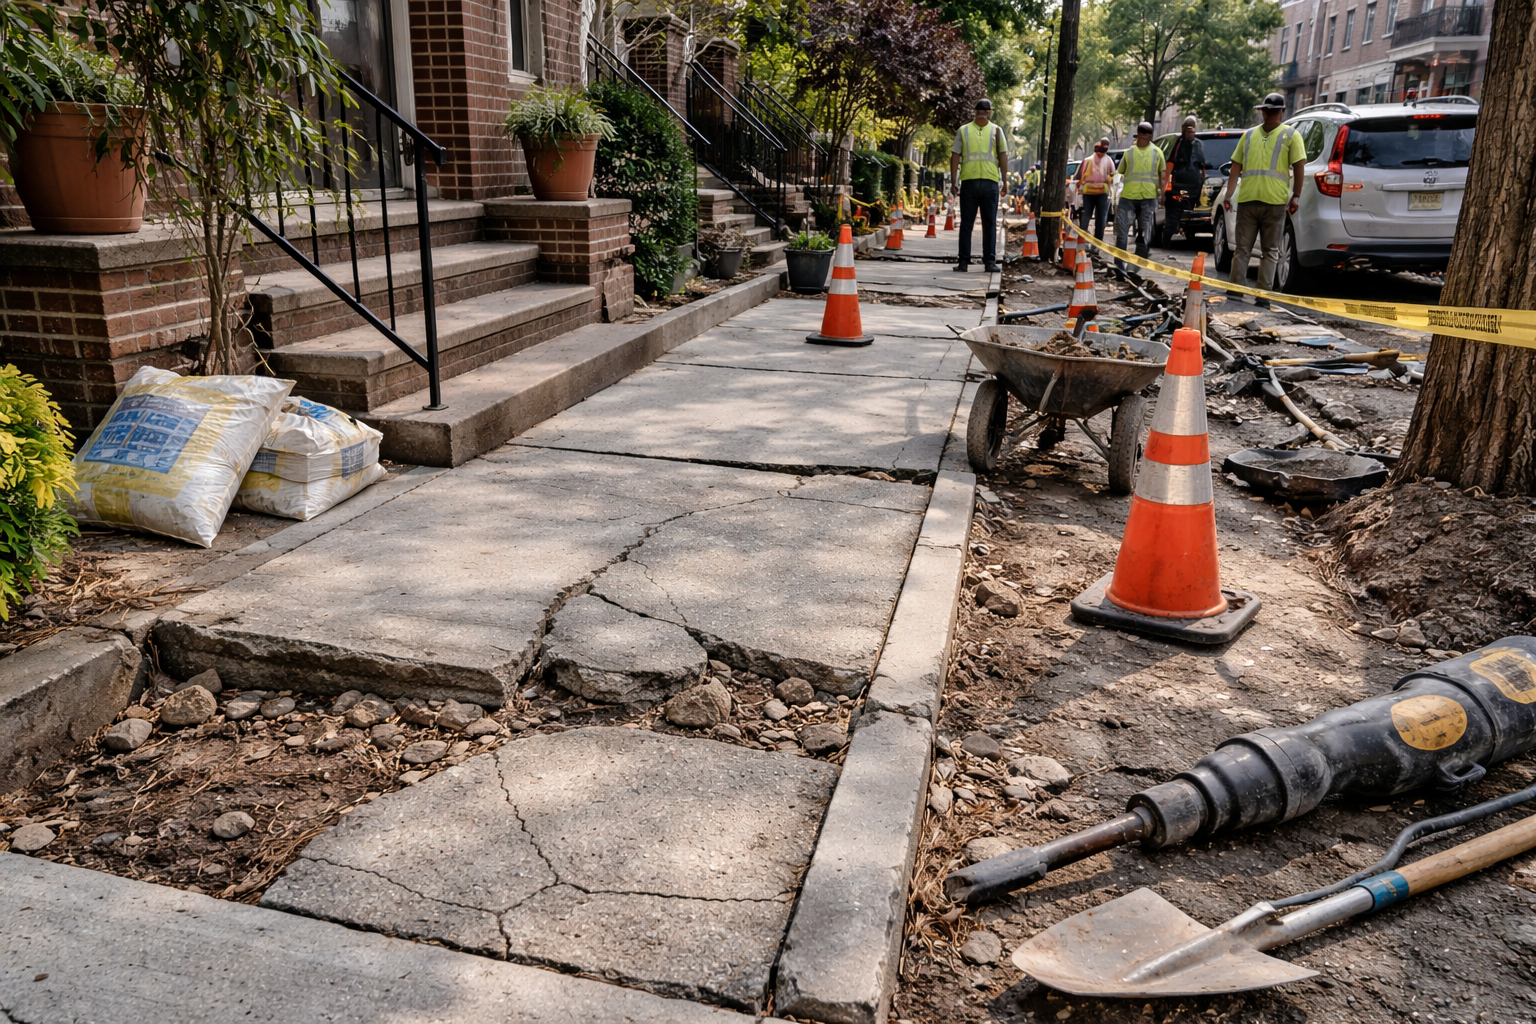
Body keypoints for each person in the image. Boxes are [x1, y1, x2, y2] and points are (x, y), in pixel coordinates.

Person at [1220, 92, 1307, 307]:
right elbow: (1299, 167)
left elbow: (1235, 170)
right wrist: (1296, 196)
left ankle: (1235, 293)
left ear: (1264, 112)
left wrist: (1229, 196)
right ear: (1282, 111)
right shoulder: (1292, 135)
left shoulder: (1248, 135)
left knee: (1242, 249)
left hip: (1249, 200)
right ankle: (1263, 297)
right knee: (1270, 251)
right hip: (1275, 203)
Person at [949, 98, 1008, 273]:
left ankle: (963, 263)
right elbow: (1003, 156)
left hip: (969, 182)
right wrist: (1005, 180)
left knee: (967, 223)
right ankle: (989, 262)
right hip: (990, 183)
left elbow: (955, 156)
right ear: (990, 112)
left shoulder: (963, 130)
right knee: (989, 223)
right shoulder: (997, 131)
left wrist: (954, 181)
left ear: (975, 111)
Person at [1114, 122, 1167, 274]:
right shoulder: (1158, 152)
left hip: (1129, 198)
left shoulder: (1129, 152)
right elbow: (1162, 177)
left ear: (1138, 133)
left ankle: (1121, 267)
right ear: (1150, 135)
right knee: (1143, 235)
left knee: (1123, 234)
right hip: (1147, 199)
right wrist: (1162, 196)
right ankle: (1134, 269)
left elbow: (1120, 172)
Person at [1164, 116, 1206, 245]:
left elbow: (1202, 165)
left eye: (1191, 130)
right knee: (1174, 215)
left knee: (1176, 214)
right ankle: (1168, 237)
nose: (1189, 133)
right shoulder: (1180, 144)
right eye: (1187, 130)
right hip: (1183, 185)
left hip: (1190, 185)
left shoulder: (1196, 144)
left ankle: (1170, 236)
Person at [1075, 138, 1115, 241]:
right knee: (1098, 217)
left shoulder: (1088, 160)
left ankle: (1083, 240)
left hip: (1092, 192)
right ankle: (1094, 241)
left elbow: (1079, 175)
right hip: (1099, 192)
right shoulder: (1107, 160)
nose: (1100, 155)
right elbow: (1113, 176)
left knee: (1089, 215)